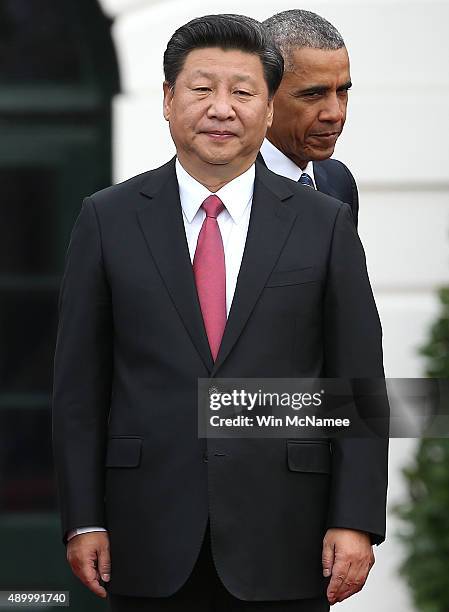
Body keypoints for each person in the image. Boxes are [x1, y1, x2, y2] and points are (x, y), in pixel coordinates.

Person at [52, 14, 388, 612]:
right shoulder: (106, 219)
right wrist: (83, 520)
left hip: (289, 534)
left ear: (266, 109)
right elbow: (79, 389)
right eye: (202, 89)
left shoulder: (324, 222)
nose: (221, 109)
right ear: (167, 99)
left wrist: (356, 521)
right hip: (144, 533)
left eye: (242, 92)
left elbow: (359, 385)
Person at [261, 10, 359, 226]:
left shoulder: (337, 179)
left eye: (342, 91)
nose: (335, 113)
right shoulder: (231, 185)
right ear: (265, 96)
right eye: (313, 94)